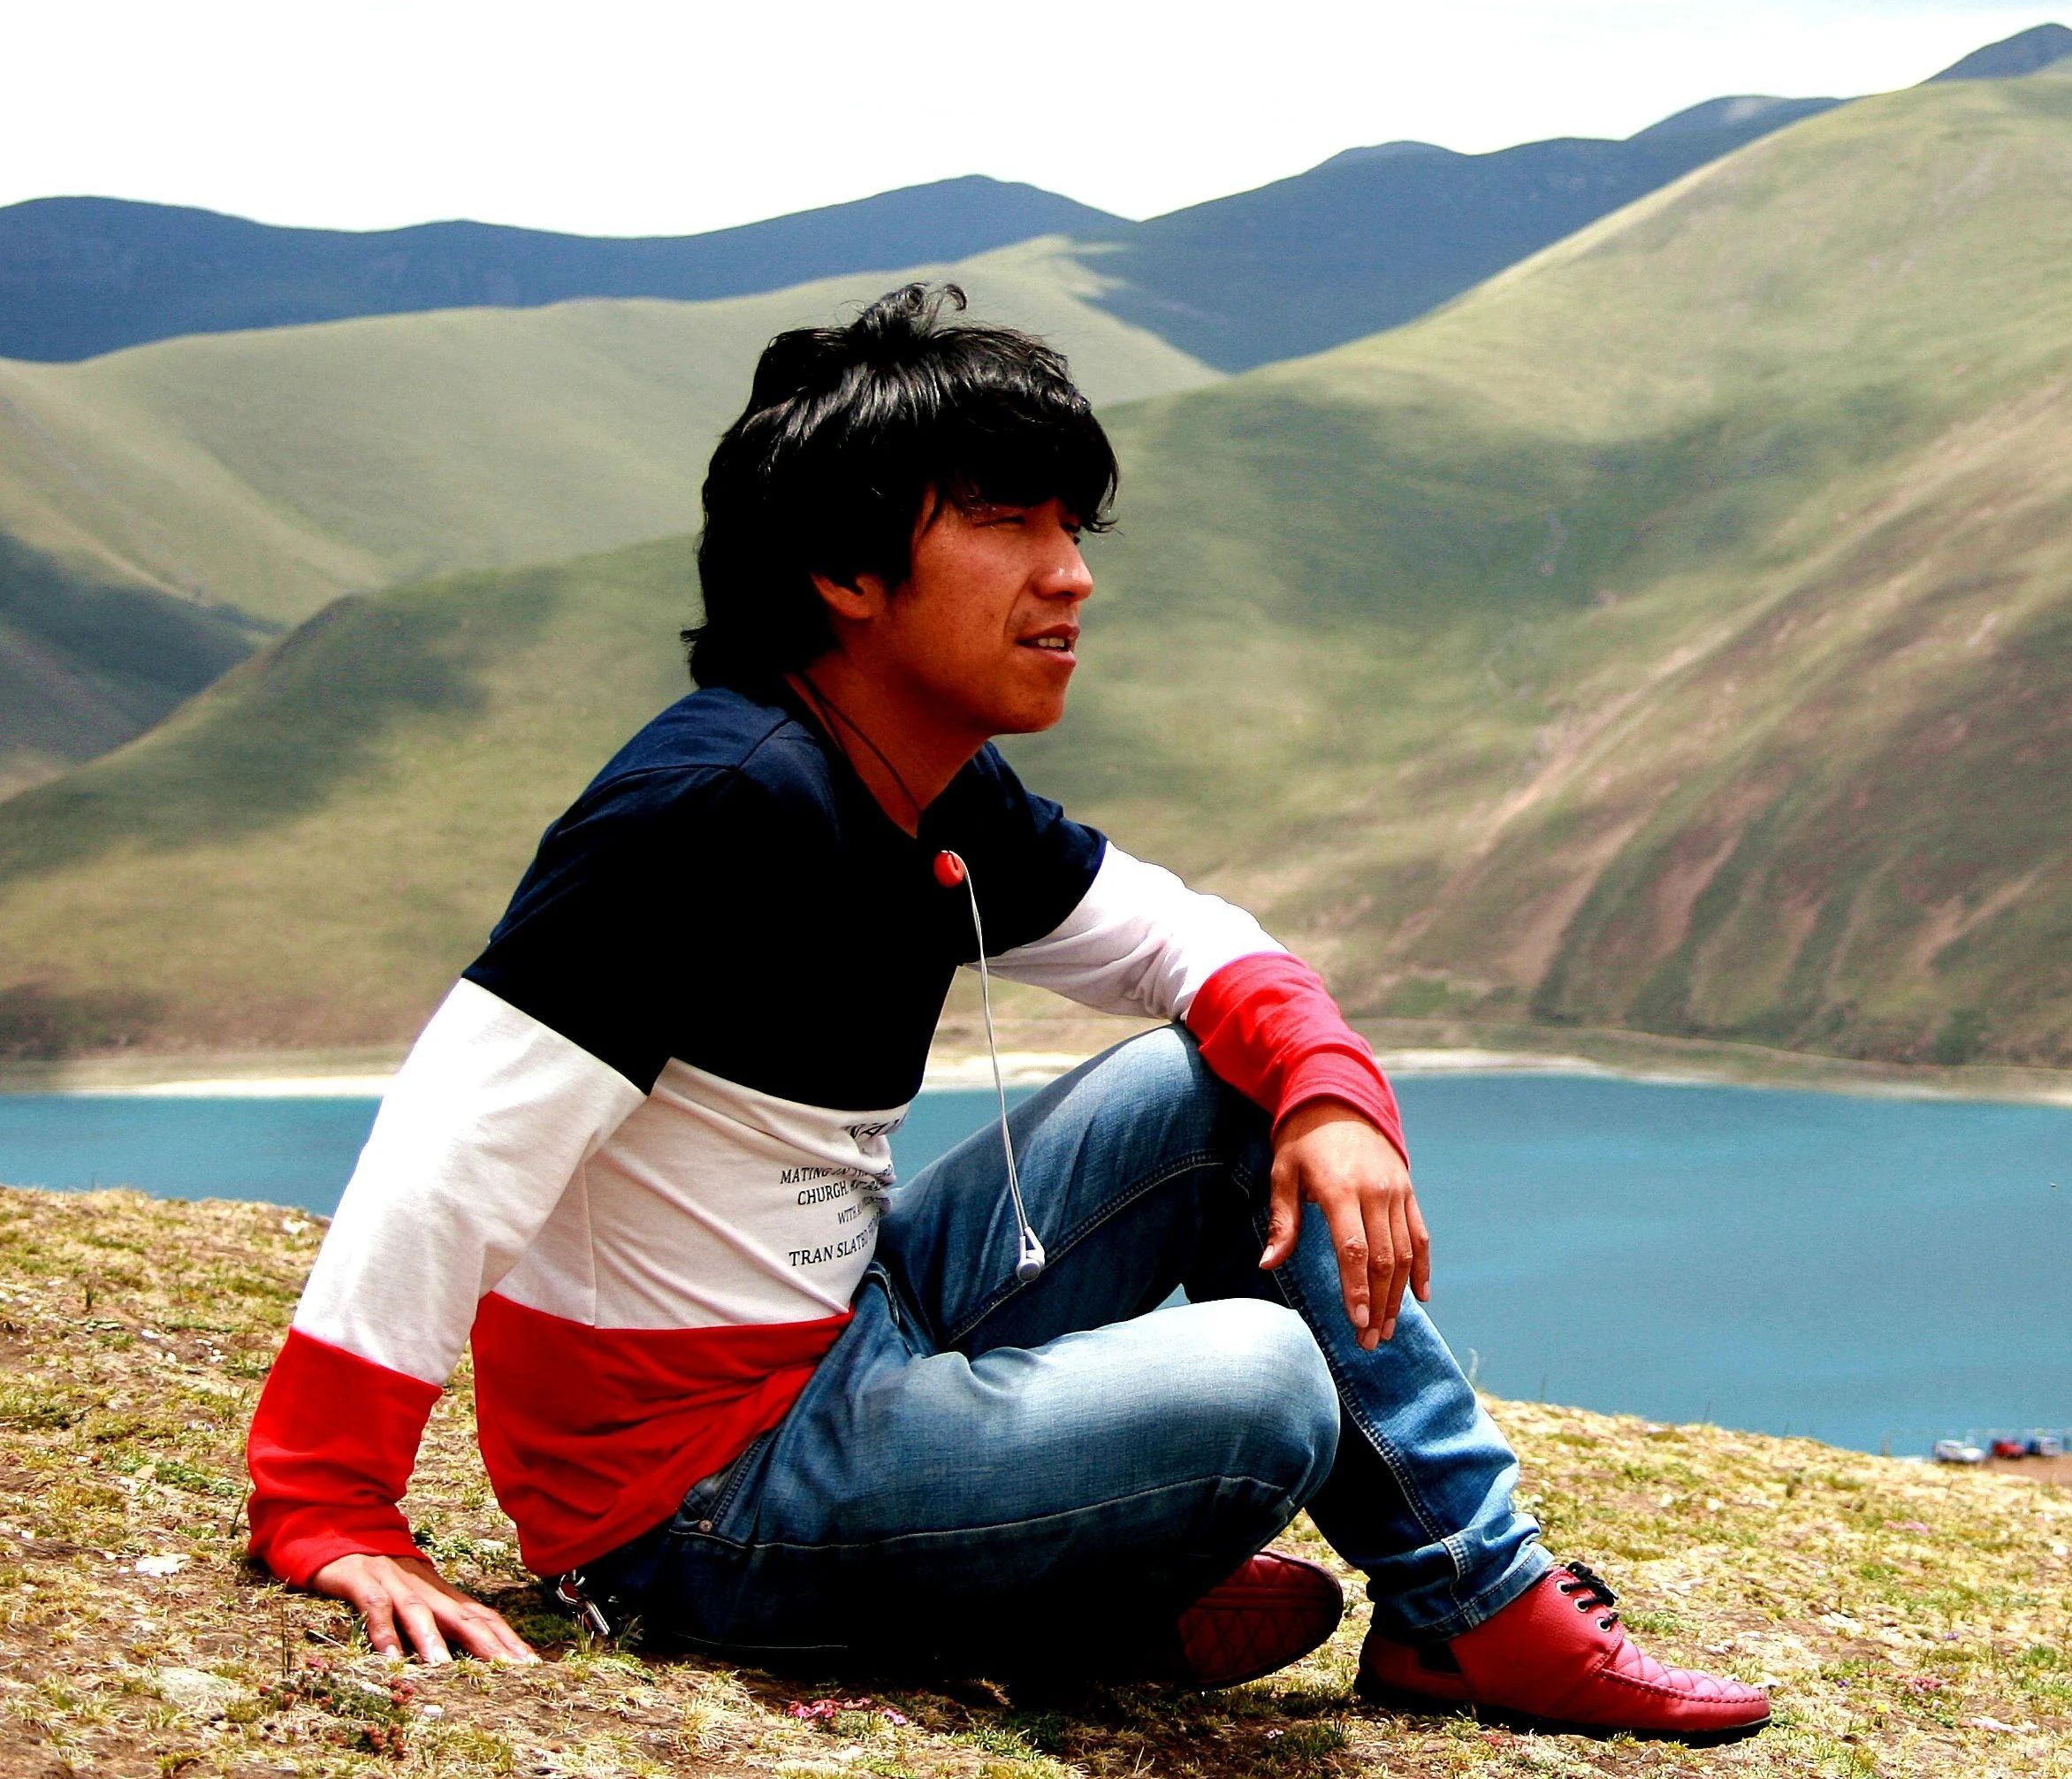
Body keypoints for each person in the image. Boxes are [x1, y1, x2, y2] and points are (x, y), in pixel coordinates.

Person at [240, 284, 1770, 1742]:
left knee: (1222, 1093)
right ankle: (1052, 1590)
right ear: (845, 572)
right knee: (1259, 1386)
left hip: (854, 1333)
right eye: (1005, 523)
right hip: (696, 1501)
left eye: (1069, 527)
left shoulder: (925, 784)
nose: (1070, 575)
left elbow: (1182, 939)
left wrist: (1327, 1089)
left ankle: (1464, 1601)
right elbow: (453, 1138)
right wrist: (329, 1503)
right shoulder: (707, 808)